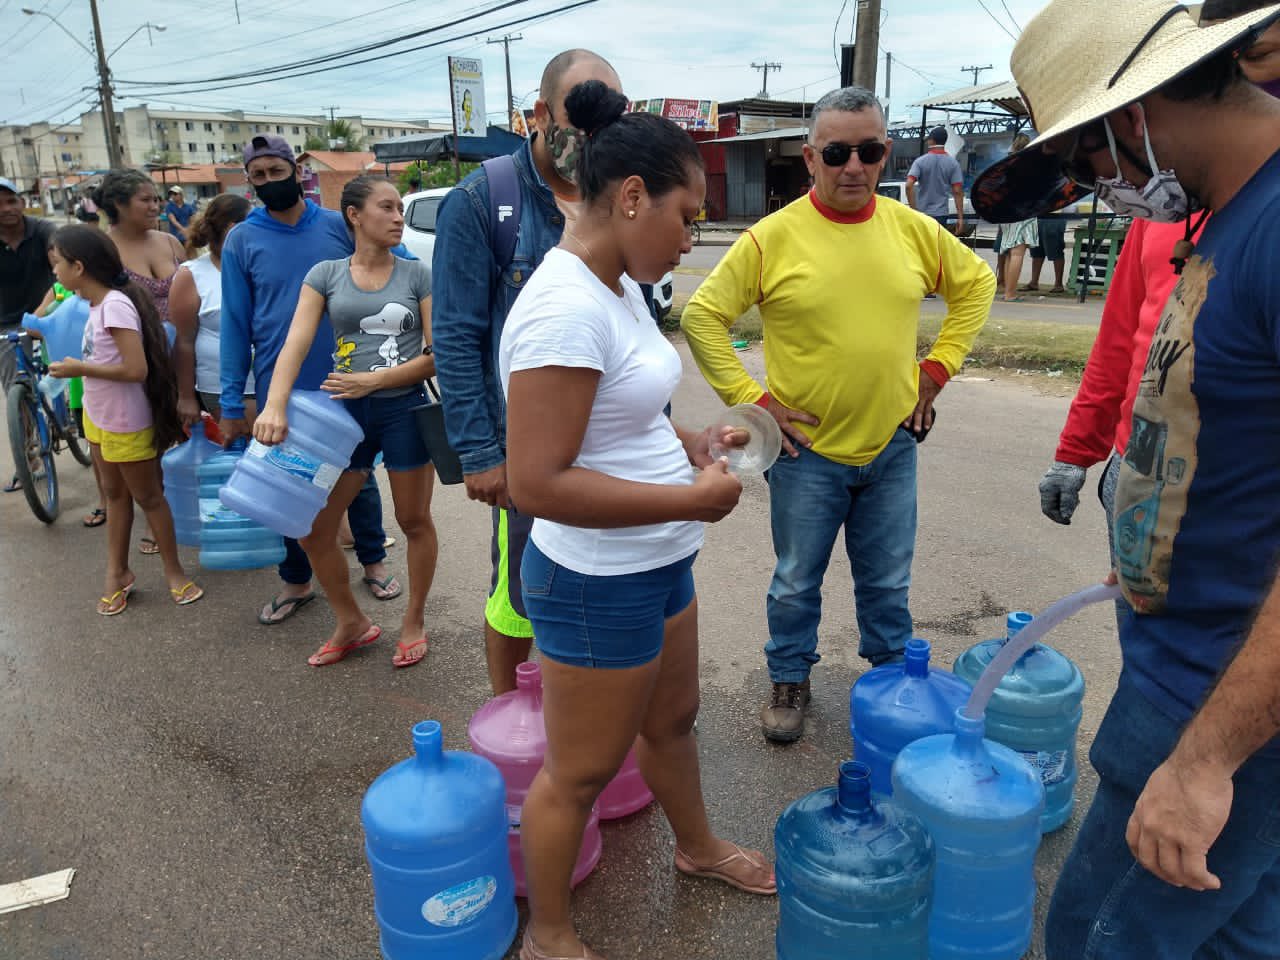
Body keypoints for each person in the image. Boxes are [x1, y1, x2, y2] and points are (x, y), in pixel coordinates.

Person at [970, 1, 1280, 955]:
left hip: (1222, 707)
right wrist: (1148, 539)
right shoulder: (1223, 220)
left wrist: (1206, 762)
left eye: (1087, 159)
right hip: (1190, 672)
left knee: (1099, 938)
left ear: (1133, 114)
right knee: (1235, 934)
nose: (1098, 186)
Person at [501, 79, 774, 960]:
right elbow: (536, 482)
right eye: (687, 216)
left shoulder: (615, 284)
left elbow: (620, 417)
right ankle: (548, 934)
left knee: (673, 722)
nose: (690, 236)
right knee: (578, 771)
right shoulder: (564, 308)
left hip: (657, 561)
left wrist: (695, 440)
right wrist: (687, 499)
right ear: (629, 197)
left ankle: (693, 850)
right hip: (594, 580)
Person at [682, 86, 996, 744]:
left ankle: (892, 684)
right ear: (810, 157)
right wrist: (760, 404)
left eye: (870, 150)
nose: (854, 165)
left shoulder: (913, 231)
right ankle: (789, 678)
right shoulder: (772, 239)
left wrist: (935, 373)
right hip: (807, 457)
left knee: (887, 580)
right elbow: (703, 317)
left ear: (886, 153)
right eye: (836, 151)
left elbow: (977, 285)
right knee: (796, 580)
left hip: (892, 445)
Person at [432, 48, 624, 696]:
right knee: (518, 590)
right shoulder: (484, 201)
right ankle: (511, 715)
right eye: (581, 120)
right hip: (527, 455)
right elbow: (457, 338)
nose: (594, 141)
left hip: (609, 449)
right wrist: (483, 454)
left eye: (609, 124)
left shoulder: (616, 197)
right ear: (538, 114)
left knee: (598, 582)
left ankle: (586, 707)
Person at [252, 176, 437, 669]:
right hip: (342, 417)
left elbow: (434, 356)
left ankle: (413, 620)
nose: (399, 216)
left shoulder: (417, 273)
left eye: (401, 207)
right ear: (354, 215)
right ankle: (351, 622)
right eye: (387, 207)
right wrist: (274, 404)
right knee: (315, 530)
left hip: (403, 409)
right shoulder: (326, 274)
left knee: (414, 521)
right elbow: (295, 342)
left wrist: (374, 382)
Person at [220, 134, 401, 625]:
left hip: (347, 377)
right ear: (249, 183)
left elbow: (381, 274)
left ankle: (373, 560)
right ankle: (296, 580)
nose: (268, 183)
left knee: (357, 475)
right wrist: (233, 405)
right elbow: (235, 324)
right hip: (282, 386)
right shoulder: (242, 239)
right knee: (285, 482)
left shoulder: (336, 226)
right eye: (257, 176)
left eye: (276, 172)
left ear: (298, 173)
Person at [1038, 216, 1208, 627]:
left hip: (1236, 492)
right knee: (1144, 638)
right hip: (1135, 469)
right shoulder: (1158, 208)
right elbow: (1120, 334)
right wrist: (1074, 454)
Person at [44, 225, 202, 614]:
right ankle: (117, 573)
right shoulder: (96, 304)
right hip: (100, 418)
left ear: (78, 267)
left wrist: (80, 367)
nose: (55, 274)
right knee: (114, 495)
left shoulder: (114, 305)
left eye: (58, 265)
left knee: (149, 497)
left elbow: (136, 370)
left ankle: (174, 573)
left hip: (126, 421)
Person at [95, 169, 187, 554]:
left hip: (182, 354)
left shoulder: (169, 241)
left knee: (184, 433)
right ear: (118, 205)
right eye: (146, 200)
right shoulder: (101, 249)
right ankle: (155, 518)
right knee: (146, 443)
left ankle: (183, 510)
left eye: (156, 198)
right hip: (136, 358)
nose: (155, 205)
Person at [169, 194, 253, 426]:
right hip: (221, 388)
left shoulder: (258, 265)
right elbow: (183, 341)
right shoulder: (192, 274)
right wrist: (186, 397)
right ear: (234, 229)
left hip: (269, 381)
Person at [0, 176, 56, 493]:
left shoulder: (44, 230)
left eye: (11, 200)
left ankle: (77, 417)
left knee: (82, 365)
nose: (7, 209)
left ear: (21, 202)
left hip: (48, 313)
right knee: (16, 388)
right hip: (7, 324)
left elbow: (61, 262)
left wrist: (43, 314)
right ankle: (29, 457)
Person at [995, 134, 1038, 302]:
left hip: (1007, 212)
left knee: (1008, 252)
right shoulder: (1031, 167)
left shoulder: (1005, 166)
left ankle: (1008, 290)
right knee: (1018, 253)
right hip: (1024, 212)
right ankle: (1010, 293)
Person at [906, 126, 966, 234]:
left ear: (931, 140)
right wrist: (960, 218)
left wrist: (913, 210)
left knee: (922, 247)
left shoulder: (920, 162)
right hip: (941, 215)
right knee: (936, 247)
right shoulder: (953, 164)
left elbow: (908, 185)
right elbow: (957, 191)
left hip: (922, 214)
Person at [1024, 214, 1067, 293]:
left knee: (1055, 249)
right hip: (1036, 216)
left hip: (1054, 218)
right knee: (1036, 250)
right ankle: (1034, 282)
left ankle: (1058, 284)